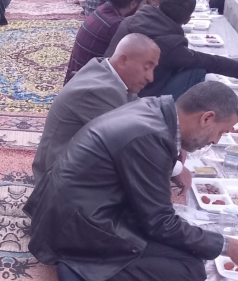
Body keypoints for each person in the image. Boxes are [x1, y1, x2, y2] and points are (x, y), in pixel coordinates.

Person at [26, 81, 238, 281]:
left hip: (73, 208)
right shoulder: (151, 137)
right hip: (76, 226)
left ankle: (86, 267)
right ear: (206, 118)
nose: (217, 141)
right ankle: (82, 271)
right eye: (221, 132)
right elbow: (160, 223)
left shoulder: (156, 109)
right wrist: (229, 246)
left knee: (188, 249)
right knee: (191, 271)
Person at [38, 33, 160, 186]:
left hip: (69, 164)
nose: (151, 77)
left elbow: (139, 111)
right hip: (56, 181)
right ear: (123, 61)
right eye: (146, 68)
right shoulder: (101, 91)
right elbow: (129, 144)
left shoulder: (105, 69)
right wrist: (174, 166)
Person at [106, 0, 238, 98]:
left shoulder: (134, 19)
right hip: (135, 96)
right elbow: (208, 61)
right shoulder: (170, 44)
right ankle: (174, 116)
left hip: (112, 83)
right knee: (197, 70)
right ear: (187, 18)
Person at [65, 0, 146, 82]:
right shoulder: (116, 25)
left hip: (76, 77)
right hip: (86, 84)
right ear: (133, 4)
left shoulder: (103, 9)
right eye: (142, 3)